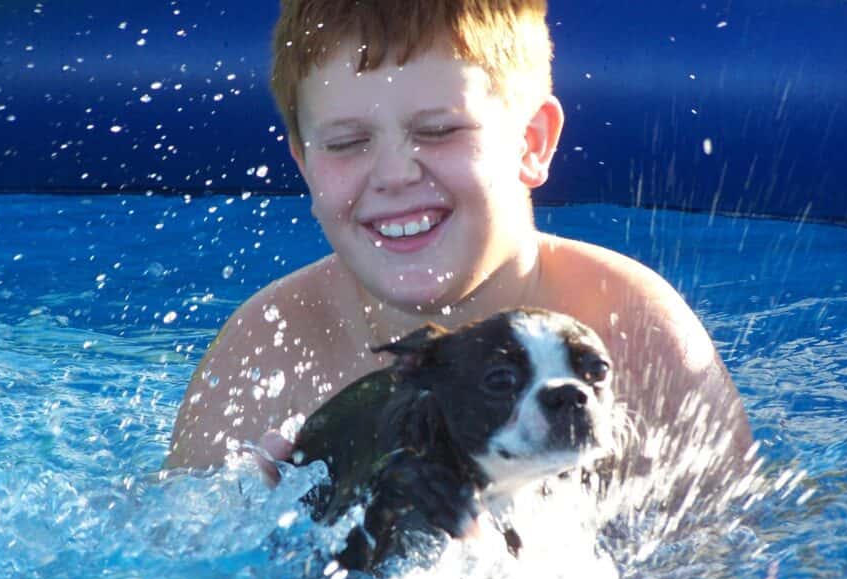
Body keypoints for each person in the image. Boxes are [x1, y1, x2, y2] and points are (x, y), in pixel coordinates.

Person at [165, 0, 752, 489]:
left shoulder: (632, 330)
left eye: (438, 131)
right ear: (303, 162)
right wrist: (269, 542)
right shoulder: (270, 347)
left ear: (532, 141)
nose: (394, 173)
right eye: (346, 143)